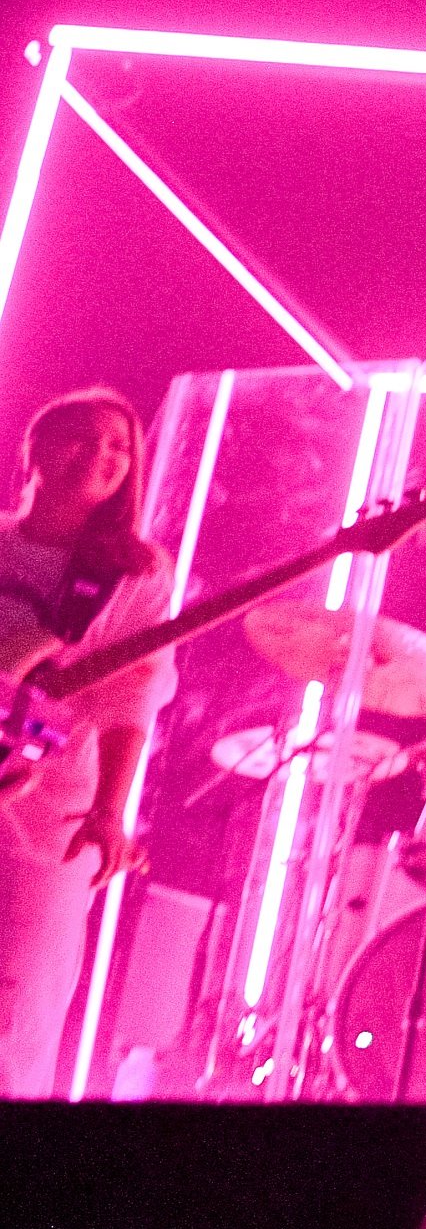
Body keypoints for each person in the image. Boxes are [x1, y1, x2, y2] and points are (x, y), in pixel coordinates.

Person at [0, 389, 175, 1097]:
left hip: (57, 798)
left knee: (27, 989)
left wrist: (109, 808)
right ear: (36, 447)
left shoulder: (133, 574)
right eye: (85, 437)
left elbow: (131, 695)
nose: (104, 456)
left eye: (120, 446)